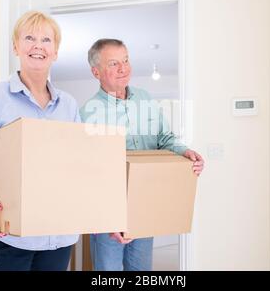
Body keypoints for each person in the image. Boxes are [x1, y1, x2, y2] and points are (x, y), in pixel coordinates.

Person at [0, 11, 80, 271]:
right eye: (29, 38)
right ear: (15, 46)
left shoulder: (69, 105)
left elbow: (77, 165)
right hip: (1, 235)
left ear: (55, 51)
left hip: (58, 238)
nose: (38, 46)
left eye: (46, 40)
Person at [79, 38, 204, 271]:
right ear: (96, 71)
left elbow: (164, 139)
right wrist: (105, 219)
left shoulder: (145, 99)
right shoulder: (87, 112)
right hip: (108, 213)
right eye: (114, 63)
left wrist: (185, 152)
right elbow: (87, 172)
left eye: (126, 60)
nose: (124, 68)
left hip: (145, 206)